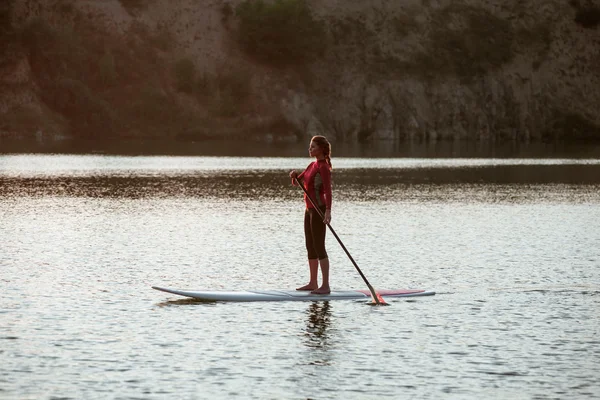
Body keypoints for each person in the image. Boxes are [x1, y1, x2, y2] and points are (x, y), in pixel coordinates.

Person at [289, 135, 333, 295]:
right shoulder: (311, 165)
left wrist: (328, 211)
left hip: (319, 209)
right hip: (309, 210)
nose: (310, 149)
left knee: (319, 246)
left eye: (313, 147)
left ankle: (325, 285)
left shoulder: (323, 167)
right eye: (310, 146)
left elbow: (328, 190)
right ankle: (313, 283)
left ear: (321, 149)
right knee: (310, 245)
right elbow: (298, 182)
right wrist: (294, 176)